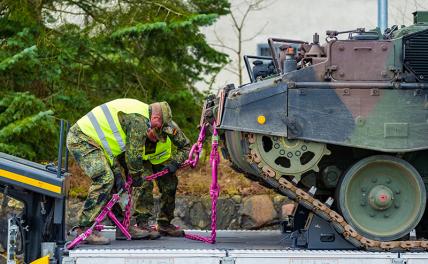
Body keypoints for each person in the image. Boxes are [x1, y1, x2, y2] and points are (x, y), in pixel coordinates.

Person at [66, 98, 189, 244]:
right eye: (153, 133)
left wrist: (175, 162)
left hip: (103, 149)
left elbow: (186, 147)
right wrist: (136, 175)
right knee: (105, 179)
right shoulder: (139, 120)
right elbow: (133, 155)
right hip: (83, 139)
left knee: (118, 185)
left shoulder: (163, 124)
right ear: (154, 118)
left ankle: (123, 228)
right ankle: (84, 229)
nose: (154, 138)